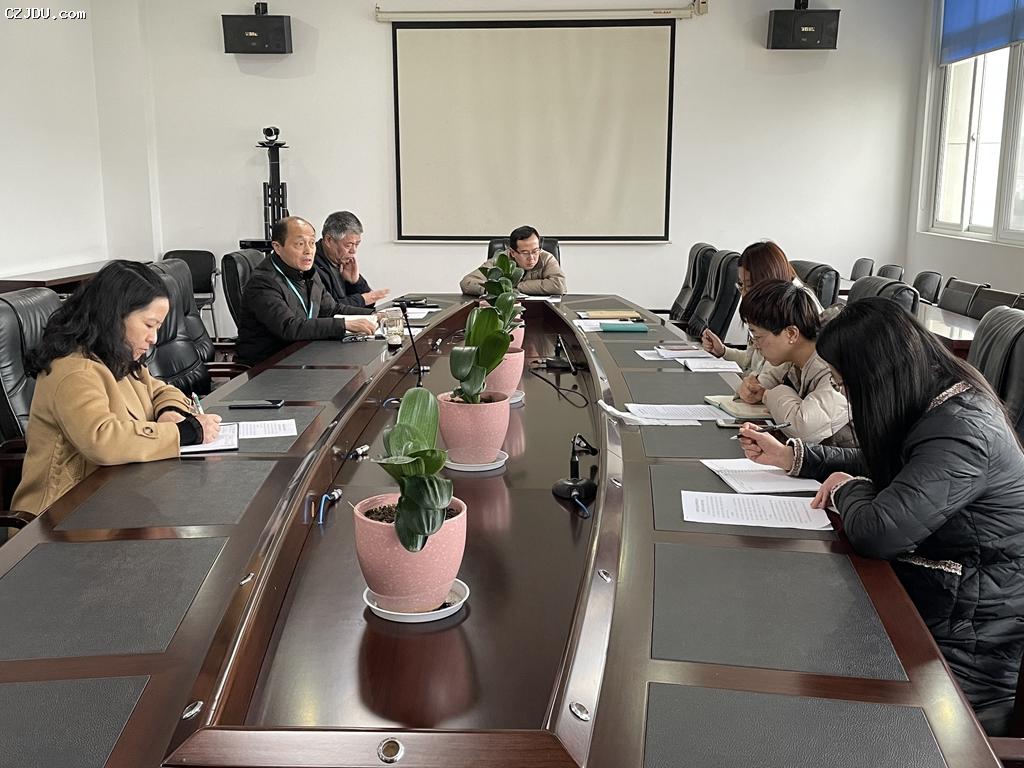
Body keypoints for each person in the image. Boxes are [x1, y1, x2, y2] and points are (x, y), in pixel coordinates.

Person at [738, 297, 1024, 736]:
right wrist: (796, 457)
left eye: (844, 384)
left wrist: (846, 489)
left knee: (798, 706)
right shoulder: (935, 402)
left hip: (964, 646)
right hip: (931, 598)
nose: (846, 396)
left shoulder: (964, 431)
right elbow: (891, 467)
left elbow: (878, 532)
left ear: (875, 377)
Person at [11, 261, 223, 517]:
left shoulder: (118, 357)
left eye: (158, 328)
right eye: (149, 325)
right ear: (114, 317)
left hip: (115, 496)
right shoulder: (75, 370)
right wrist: (185, 432)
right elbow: (103, 440)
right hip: (62, 515)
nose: (154, 338)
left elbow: (160, 390)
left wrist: (169, 411)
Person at [236, 216, 378, 366]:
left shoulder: (308, 273)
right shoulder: (263, 282)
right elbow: (289, 327)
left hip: (305, 356)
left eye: (311, 243)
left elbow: (332, 309)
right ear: (277, 247)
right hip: (268, 367)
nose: (308, 251)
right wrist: (344, 325)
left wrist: (375, 315)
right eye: (300, 244)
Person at [733, 280, 854, 446]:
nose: (755, 345)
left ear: (791, 334)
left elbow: (803, 427)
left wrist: (767, 395)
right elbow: (762, 382)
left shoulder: (833, 365)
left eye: (758, 337)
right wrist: (749, 387)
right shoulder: (792, 356)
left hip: (850, 458)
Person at [701, 240, 822, 376]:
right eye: (741, 285)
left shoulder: (792, 309)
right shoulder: (770, 305)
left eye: (749, 286)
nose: (744, 293)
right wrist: (723, 351)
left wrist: (751, 382)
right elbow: (755, 362)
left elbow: (767, 377)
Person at [460, 225, 567, 296]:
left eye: (535, 251)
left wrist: (514, 287)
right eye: (525, 253)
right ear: (512, 252)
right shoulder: (501, 259)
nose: (531, 257)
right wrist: (493, 289)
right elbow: (467, 282)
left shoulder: (546, 258)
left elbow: (559, 286)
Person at [313, 210, 390, 308]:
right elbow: (327, 308)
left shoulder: (343, 262)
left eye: (357, 244)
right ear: (329, 240)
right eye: (348, 245)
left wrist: (355, 282)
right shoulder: (311, 265)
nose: (353, 251)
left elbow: (369, 303)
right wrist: (362, 299)